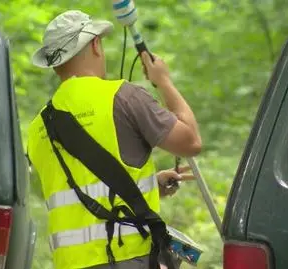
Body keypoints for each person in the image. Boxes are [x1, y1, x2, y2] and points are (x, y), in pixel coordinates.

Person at [26, 9, 202, 269]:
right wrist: (163, 81)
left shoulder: (37, 127)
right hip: (127, 259)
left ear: (54, 63)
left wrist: (149, 187)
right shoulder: (123, 97)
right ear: (95, 44)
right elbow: (191, 142)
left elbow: (79, 192)